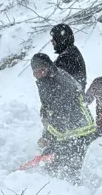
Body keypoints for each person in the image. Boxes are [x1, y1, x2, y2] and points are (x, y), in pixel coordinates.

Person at [31, 53, 97, 181]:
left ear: (49, 67)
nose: (39, 75)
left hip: (80, 133)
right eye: (36, 73)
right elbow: (47, 109)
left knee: (70, 169)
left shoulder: (60, 82)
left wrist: (48, 136)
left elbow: (59, 114)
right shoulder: (47, 81)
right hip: (68, 133)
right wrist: (47, 135)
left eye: (41, 70)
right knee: (54, 165)